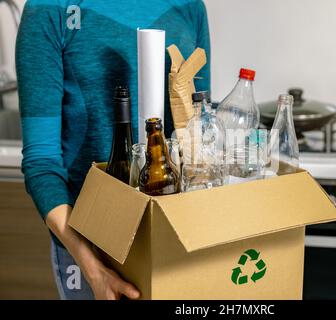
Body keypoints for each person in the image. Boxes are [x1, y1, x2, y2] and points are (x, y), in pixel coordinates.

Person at [16, 0, 210, 300]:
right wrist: (94, 270)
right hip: (89, 241)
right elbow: (42, 161)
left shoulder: (190, 6)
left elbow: (198, 126)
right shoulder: (49, 8)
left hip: (176, 233)